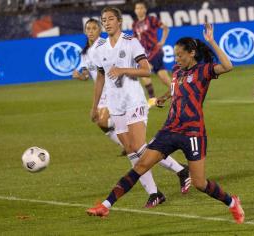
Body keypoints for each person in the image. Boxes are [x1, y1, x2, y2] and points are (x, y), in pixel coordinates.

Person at [86, 23, 245, 224]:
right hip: (169, 129)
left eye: (180, 55)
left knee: (199, 183)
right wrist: (163, 97)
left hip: (193, 133)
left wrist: (212, 41)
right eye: (175, 55)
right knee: (141, 164)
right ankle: (105, 206)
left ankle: (232, 202)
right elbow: (176, 89)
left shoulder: (204, 70)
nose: (176, 59)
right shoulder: (177, 71)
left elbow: (228, 66)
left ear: (192, 53)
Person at [89, 7, 191, 208]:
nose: (107, 23)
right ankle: (155, 193)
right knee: (130, 150)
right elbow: (100, 77)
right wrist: (94, 106)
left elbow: (146, 70)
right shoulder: (99, 49)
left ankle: (181, 170)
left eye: (110, 19)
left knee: (139, 147)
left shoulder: (131, 42)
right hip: (115, 105)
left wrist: (123, 70)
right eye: (104, 20)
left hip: (134, 101)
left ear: (119, 21)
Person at [72, 18, 123, 153]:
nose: (91, 31)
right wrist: (80, 76)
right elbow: (87, 75)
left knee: (103, 121)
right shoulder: (85, 52)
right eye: (88, 29)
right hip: (101, 92)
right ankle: (126, 144)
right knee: (100, 122)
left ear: (100, 30)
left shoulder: (103, 45)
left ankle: (129, 139)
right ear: (85, 31)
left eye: (94, 28)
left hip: (112, 89)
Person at [132, 0, 172, 108]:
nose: (139, 10)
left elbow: (165, 28)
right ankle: (153, 99)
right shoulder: (135, 24)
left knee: (163, 78)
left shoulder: (152, 19)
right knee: (146, 74)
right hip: (144, 55)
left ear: (145, 9)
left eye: (141, 8)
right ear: (135, 11)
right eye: (137, 8)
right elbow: (135, 39)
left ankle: (177, 91)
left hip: (155, 52)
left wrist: (162, 41)